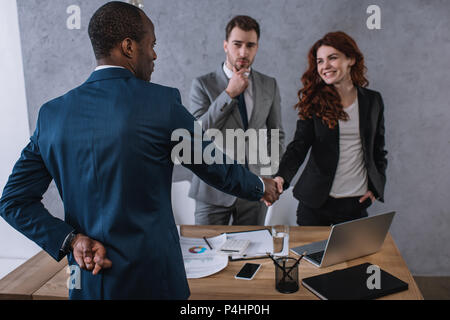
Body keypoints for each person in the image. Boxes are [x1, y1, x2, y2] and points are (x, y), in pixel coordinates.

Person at [0, 2, 280, 300]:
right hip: (154, 282)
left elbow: (14, 202)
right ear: (129, 47)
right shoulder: (161, 104)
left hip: (86, 283)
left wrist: (70, 240)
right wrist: (261, 185)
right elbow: (215, 166)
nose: (155, 54)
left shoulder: (51, 115)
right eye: (152, 44)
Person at [273, 31, 388, 226]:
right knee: (312, 257)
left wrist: (377, 188)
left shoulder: (372, 100)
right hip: (315, 205)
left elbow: (378, 149)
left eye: (332, 58)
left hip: (355, 205)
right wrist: (281, 176)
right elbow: (298, 147)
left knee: (352, 258)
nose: (325, 66)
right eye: (319, 61)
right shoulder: (313, 102)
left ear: (350, 59)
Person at [188, 15, 285, 226]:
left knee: (253, 253)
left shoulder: (270, 84)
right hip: (212, 189)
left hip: (254, 189)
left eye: (250, 45)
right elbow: (196, 134)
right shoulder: (202, 84)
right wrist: (229, 94)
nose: (244, 52)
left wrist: (268, 175)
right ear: (225, 45)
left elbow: (275, 133)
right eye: (237, 44)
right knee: (206, 254)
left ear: (257, 47)